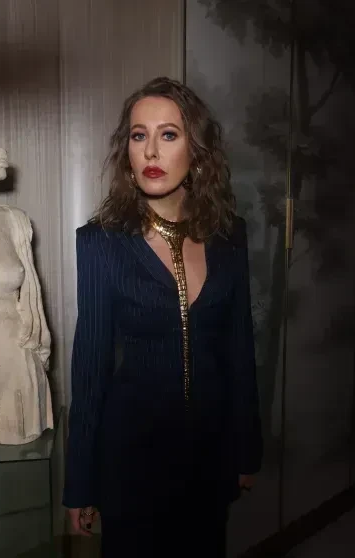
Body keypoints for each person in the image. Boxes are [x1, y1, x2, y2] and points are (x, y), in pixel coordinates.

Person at [63, 76, 263, 558]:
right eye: (139, 135)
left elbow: (240, 349)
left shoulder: (229, 235)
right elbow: (89, 369)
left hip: (210, 458)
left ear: (197, 151)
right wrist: (80, 483)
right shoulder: (101, 241)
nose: (151, 150)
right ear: (127, 152)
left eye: (168, 134)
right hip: (130, 463)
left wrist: (246, 448)